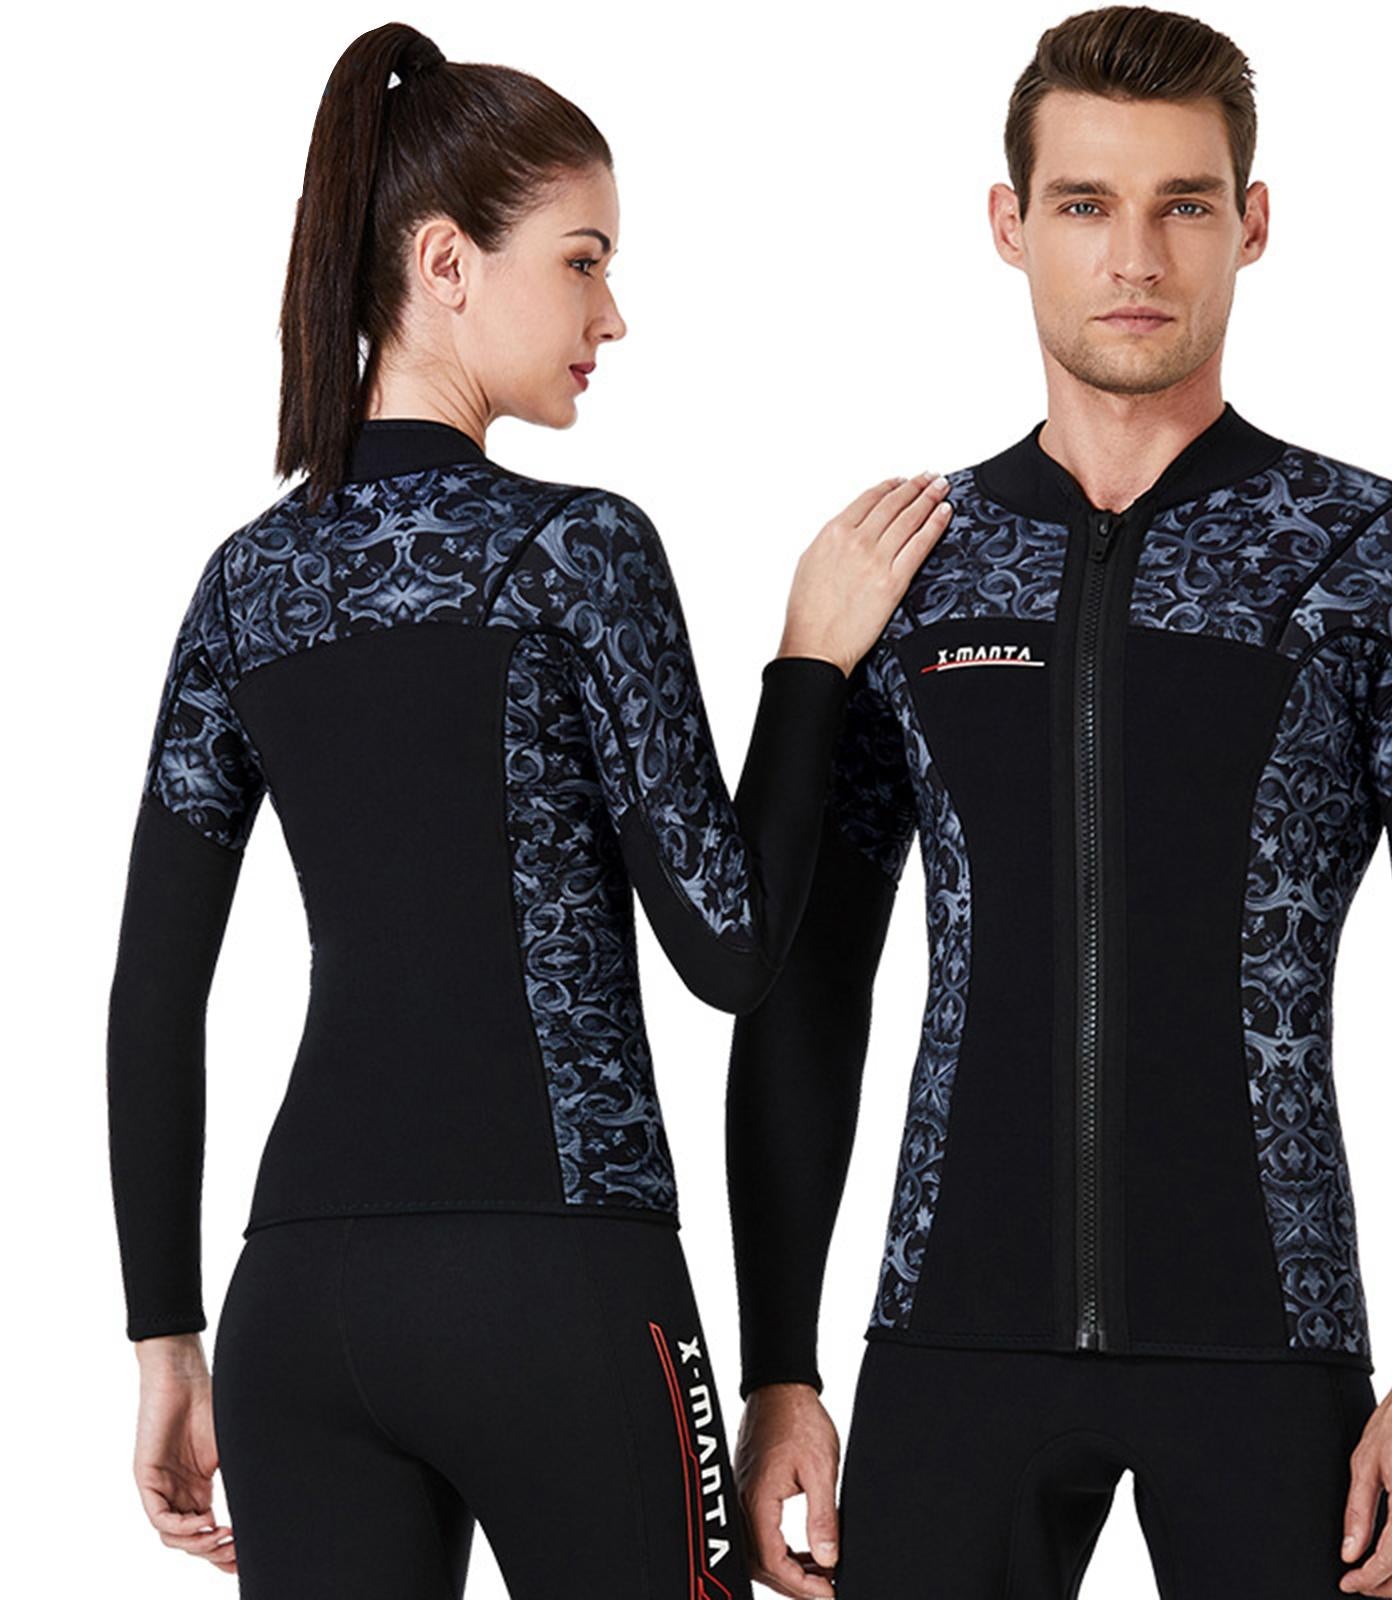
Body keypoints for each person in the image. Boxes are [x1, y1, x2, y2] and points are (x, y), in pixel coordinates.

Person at [105, 22, 951, 1598]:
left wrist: (167, 1339)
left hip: (299, 1306)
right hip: (561, 1280)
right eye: (583, 262)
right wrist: (810, 666)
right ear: (445, 262)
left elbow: (154, 989)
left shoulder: (244, 587)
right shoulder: (575, 551)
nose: (610, 315)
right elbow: (733, 946)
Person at [725, 8, 1392, 1599]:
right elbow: (807, 991)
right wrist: (780, 1368)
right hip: (953, 1339)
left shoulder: (1374, 560)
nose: (1135, 256)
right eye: (1086, 204)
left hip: (1269, 1343)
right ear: (1009, 223)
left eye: (1184, 203)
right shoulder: (912, 568)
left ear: (1252, 221)